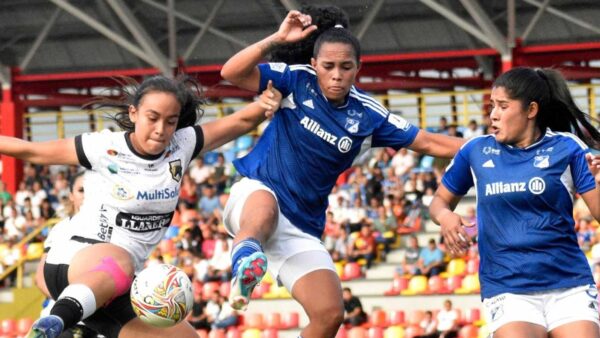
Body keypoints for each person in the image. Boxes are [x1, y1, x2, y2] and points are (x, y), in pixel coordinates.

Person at [219, 9, 463, 338]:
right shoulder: (295, 80)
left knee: (330, 315)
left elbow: (430, 142)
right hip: (258, 192)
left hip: (302, 226)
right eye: (328, 66)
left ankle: (252, 259)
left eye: (346, 67)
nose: (336, 75)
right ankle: (246, 259)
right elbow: (231, 72)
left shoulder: (369, 115)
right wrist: (277, 38)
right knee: (263, 213)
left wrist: (491, 146)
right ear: (315, 64)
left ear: (357, 69)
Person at [0, 74, 282, 338]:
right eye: (152, 118)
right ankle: (52, 324)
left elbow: (240, 122)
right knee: (119, 260)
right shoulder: (102, 147)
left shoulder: (181, 146)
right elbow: (30, 151)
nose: (161, 130)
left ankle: (77, 325)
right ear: (134, 113)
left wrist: (269, 100)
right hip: (76, 262)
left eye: (170, 121)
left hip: (117, 286)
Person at [429, 67, 600, 338]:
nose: (493, 115)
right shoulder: (475, 150)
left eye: (503, 106)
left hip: (569, 284)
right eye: (492, 106)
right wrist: (446, 217)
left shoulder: (568, 148)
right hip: (507, 286)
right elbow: (439, 201)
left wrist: (598, 182)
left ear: (531, 110)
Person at [35, 172, 98, 338]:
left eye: (93, 189)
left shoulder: (117, 230)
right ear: (71, 195)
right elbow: (41, 279)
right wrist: (71, 305)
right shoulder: (60, 229)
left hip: (102, 324)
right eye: (81, 190)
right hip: (60, 322)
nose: (88, 194)